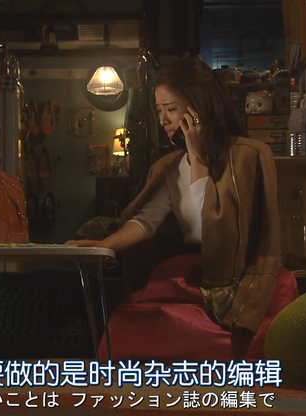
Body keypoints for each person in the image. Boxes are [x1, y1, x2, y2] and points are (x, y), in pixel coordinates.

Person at [67, 57, 281, 358]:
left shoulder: (248, 155)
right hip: (188, 272)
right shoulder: (169, 166)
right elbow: (147, 220)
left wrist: (197, 156)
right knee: (120, 323)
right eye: (159, 110)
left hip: (233, 277)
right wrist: (105, 245)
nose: (163, 120)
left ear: (197, 109)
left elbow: (211, 225)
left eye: (170, 109)